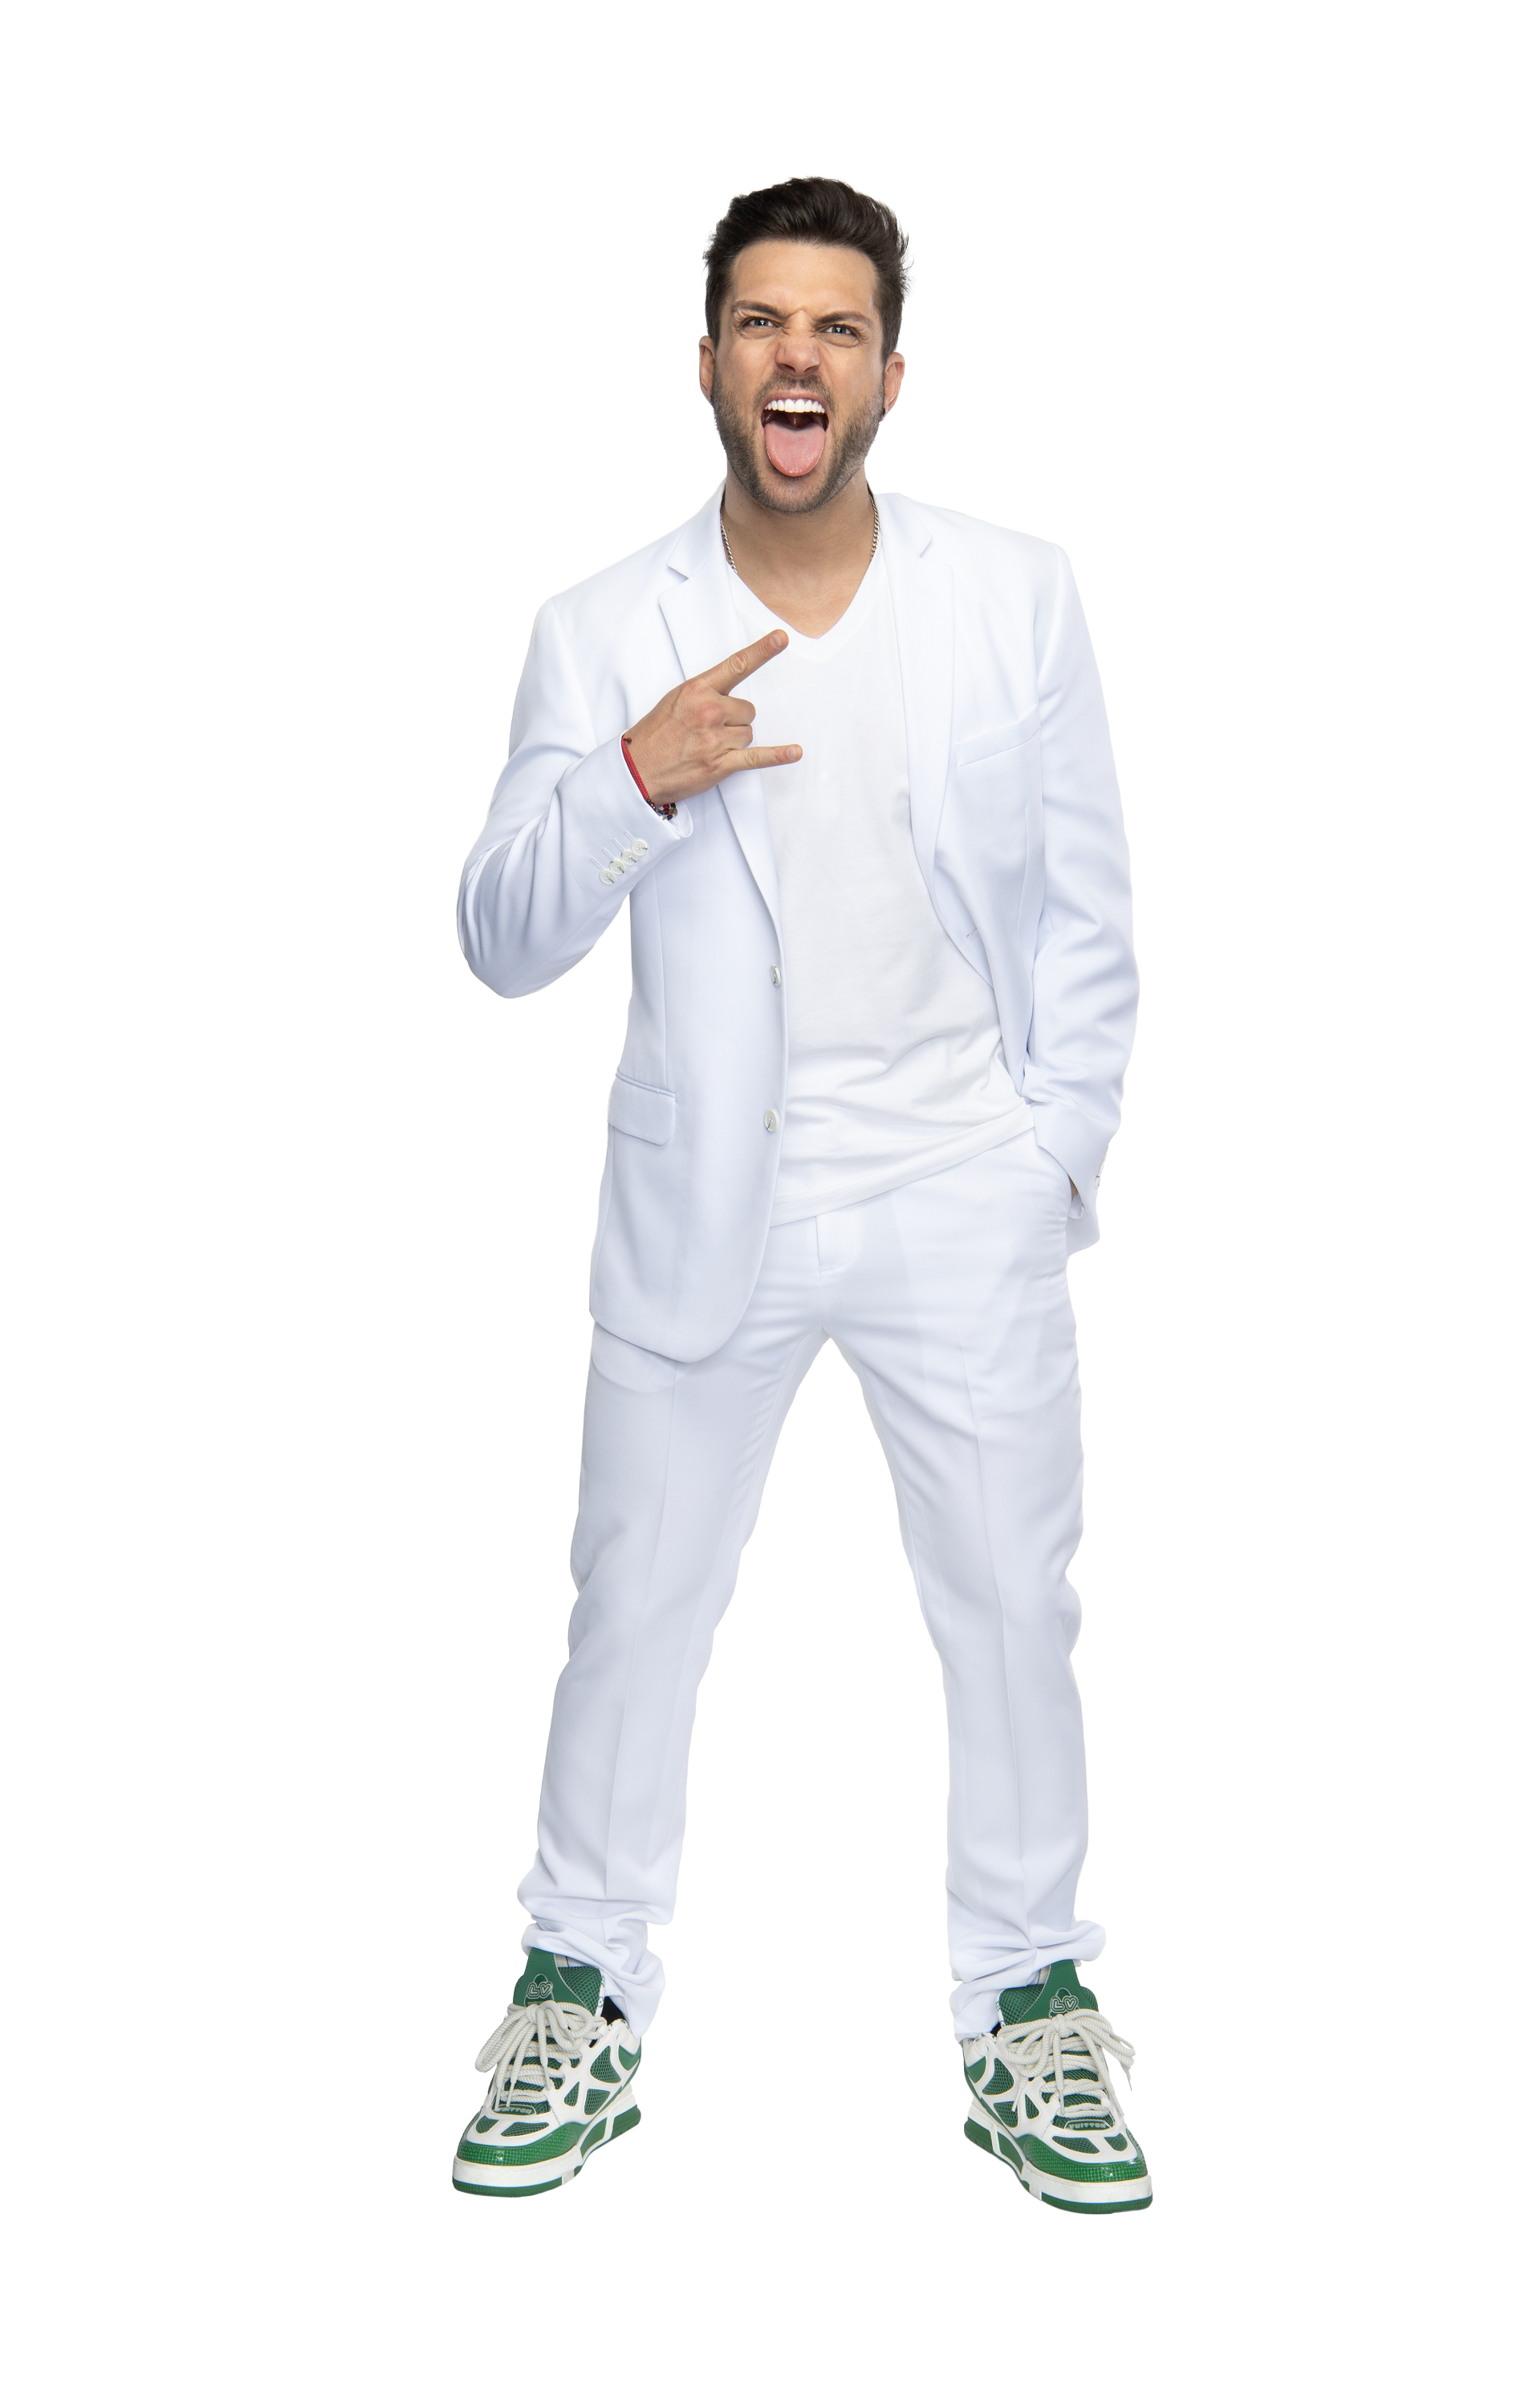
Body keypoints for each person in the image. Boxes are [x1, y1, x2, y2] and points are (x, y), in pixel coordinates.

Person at [453, 177, 1145, 2214]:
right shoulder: (602, 628)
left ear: (888, 376)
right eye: (761, 321)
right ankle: (580, 1978)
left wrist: (1047, 1154)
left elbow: (1089, 911)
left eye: (835, 328)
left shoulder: (1013, 595)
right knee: (634, 1608)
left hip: (956, 1184)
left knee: (1009, 1609)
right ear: (706, 363)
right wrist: (632, 778)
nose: (796, 356)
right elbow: (496, 935)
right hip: (706, 1207)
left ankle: (1028, 2001)